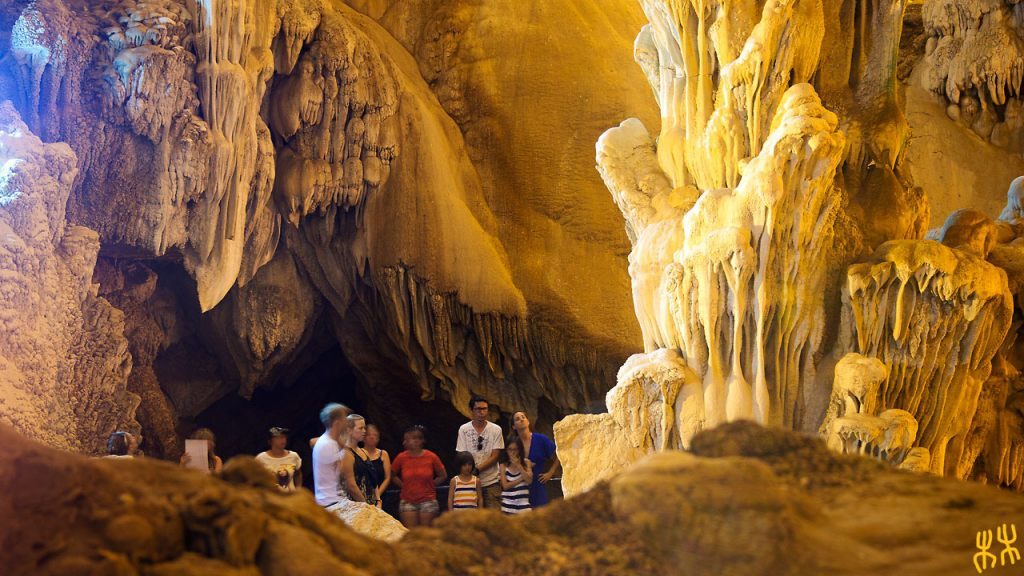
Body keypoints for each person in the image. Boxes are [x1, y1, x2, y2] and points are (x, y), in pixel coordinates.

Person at [391, 425, 446, 528]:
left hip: (428, 500)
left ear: (418, 441)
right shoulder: (401, 458)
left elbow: (443, 475)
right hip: (408, 500)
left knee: (425, 533)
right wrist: (403, 485)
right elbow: (392, 474)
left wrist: (430, 485)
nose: (404, 443)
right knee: (411, 534)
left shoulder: (431, 457)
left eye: (407, 440)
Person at [455, 395, 504, 509]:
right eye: (478, 409)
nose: (482, 412)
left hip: (491, 481)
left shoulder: (496, 429)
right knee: (471, 519)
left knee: (494, 518)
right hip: (469, 481)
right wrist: (469, 472)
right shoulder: (464, 429)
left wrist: (477, 470)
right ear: (472, 410)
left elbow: (495, 455)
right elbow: (461, 454)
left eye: (484, 408)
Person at [511, 411, 561, 507]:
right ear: (513, 426)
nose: (521, 419)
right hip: (519, 486)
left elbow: (560, 453)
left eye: (523, 417)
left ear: (528, 421)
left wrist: (550, 473)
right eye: (517, 419)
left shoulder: (541, 439)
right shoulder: (513, 443)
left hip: (538, 484)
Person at [312, 403, 351, 508]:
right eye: (344, 419)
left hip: (331, 501)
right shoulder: (328, 444)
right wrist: (347, 444)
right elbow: (345, 473)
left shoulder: (329, 442)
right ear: (337, 423)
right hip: (331, 502)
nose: (347, 423)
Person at [255, 427, 302, 492]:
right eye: (278, 438)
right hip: (270, 498)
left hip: (290, 498)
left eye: (284, 437)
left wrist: (298, 489)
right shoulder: (261, 458)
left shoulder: (293, 456)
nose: (283, 440)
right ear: (270, 441)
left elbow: (298, 474)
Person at [340, 414, 373, 504]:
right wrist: (366, 505)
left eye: (364, 428)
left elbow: (372, 478)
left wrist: (378, 500)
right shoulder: (346, 453)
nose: (364, 431)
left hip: (370, 500)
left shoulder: (364, 452)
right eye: (360, 428)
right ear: (349, 430)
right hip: (356, 504)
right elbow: (351, 485)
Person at [498, 434, 532, 515]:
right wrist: (521, 479)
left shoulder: (526, 462)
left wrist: (519, 466)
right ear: (506, 450)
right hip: (507, 506)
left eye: (515, 449)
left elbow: (529, 480)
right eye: (510, 449)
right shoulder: (503, 465)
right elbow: (505, 486)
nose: (512, 452)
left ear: (519, 450)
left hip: (524, 506)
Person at [362, 424, 391, 507]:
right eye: (369, 434)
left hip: (382, 496)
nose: (372, 437)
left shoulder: (384, 454)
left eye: (375, 435)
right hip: (362, 497)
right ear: (363, 437)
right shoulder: (358, 453)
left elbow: (387, 478)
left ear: (378, 438)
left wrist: (377, 495)